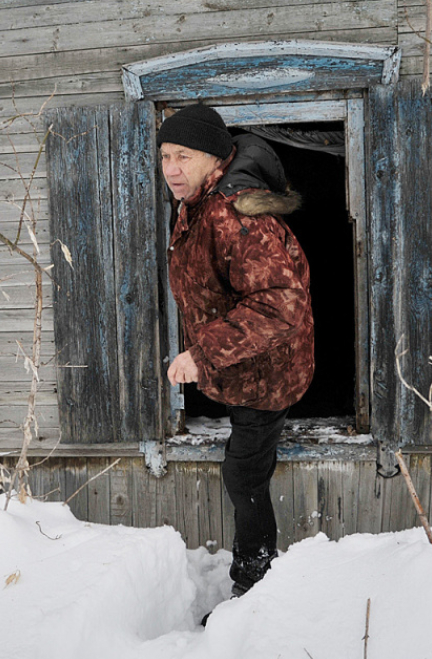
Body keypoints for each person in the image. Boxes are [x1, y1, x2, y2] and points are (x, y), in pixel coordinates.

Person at [157, 104, 315, 597]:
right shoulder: (199, 203)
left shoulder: (235, 218)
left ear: (214, 157)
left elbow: (281, 306)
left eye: (184, 156)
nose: (172, 169)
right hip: (239, 365)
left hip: (267, 375)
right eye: (165, 156)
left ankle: (254, 582)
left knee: (243, 472)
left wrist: (201, 354)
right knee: (241, 463)